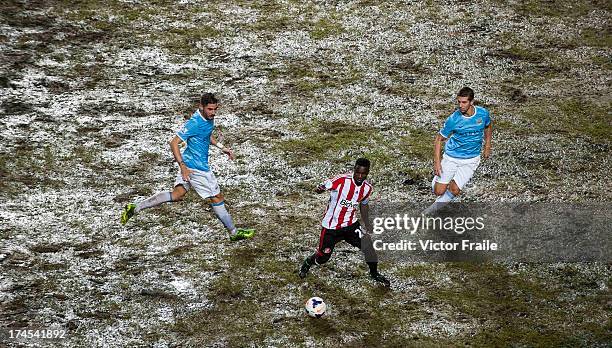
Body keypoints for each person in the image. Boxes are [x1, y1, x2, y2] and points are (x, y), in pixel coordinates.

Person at [120, 93, 255, 241]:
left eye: (215, 109)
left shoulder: (207, 118)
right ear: (201, 107)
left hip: (190, 163)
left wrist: (221, 147)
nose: (213, 112)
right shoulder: (194, 123)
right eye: (210, 109)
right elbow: (174, 143)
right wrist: (182, 166)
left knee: (177, 194)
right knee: (216, 197)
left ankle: (136, 207)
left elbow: (206, 134)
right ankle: (234, 232)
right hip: (196, 168)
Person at [298, 158, 390, 287]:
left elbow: (364, 204)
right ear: (354, 170)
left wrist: (367, 223)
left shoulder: (367, 188)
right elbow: (326, 184)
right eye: (357, 172)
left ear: (367, 172)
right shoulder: (342, 180)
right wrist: (320, 188)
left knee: (369, 248)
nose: (359, 176)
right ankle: (308, 262)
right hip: (331, 227)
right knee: (323, 258)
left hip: (351, 225)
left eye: (363, 174)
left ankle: (374, 274)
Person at [424, 87, 493, 214]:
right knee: (439, 191)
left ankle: (429, 212)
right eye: (459, 102)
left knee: (455, 190)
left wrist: (487, 146)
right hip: (452, 157)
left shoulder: (483, 114)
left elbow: (488, 126)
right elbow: (439, 139)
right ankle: (437, 181)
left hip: (471, 160)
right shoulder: (453, 119)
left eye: (464, 102)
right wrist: (437, 162)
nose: (460, 105)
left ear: (471, 102)